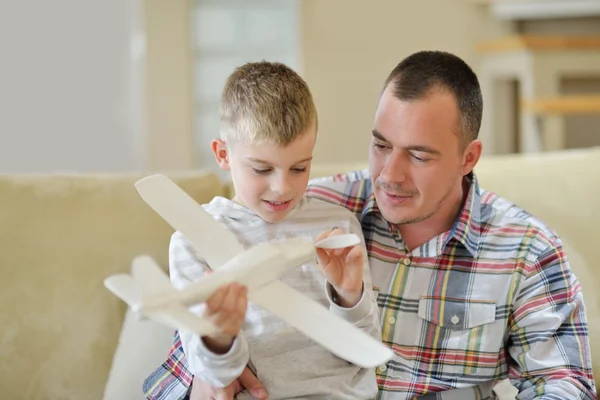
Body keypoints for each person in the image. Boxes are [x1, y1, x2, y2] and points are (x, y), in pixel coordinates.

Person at [144, 51, 597, 399]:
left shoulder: (527, 251)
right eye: (381, 145)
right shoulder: (310, 207)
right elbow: (202, 329)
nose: (390, 175)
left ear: (468, 158)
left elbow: (563, 384)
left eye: (418, 156)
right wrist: (209, 374)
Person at [144, 61, 382, 400]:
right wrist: (218, 338)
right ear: (223, 154)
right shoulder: (192, 239)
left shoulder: (339, 227)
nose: (282, 187)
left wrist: (349, 296)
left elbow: (364, 352)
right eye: (262, 169)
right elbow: (212, 376)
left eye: (299, 168)